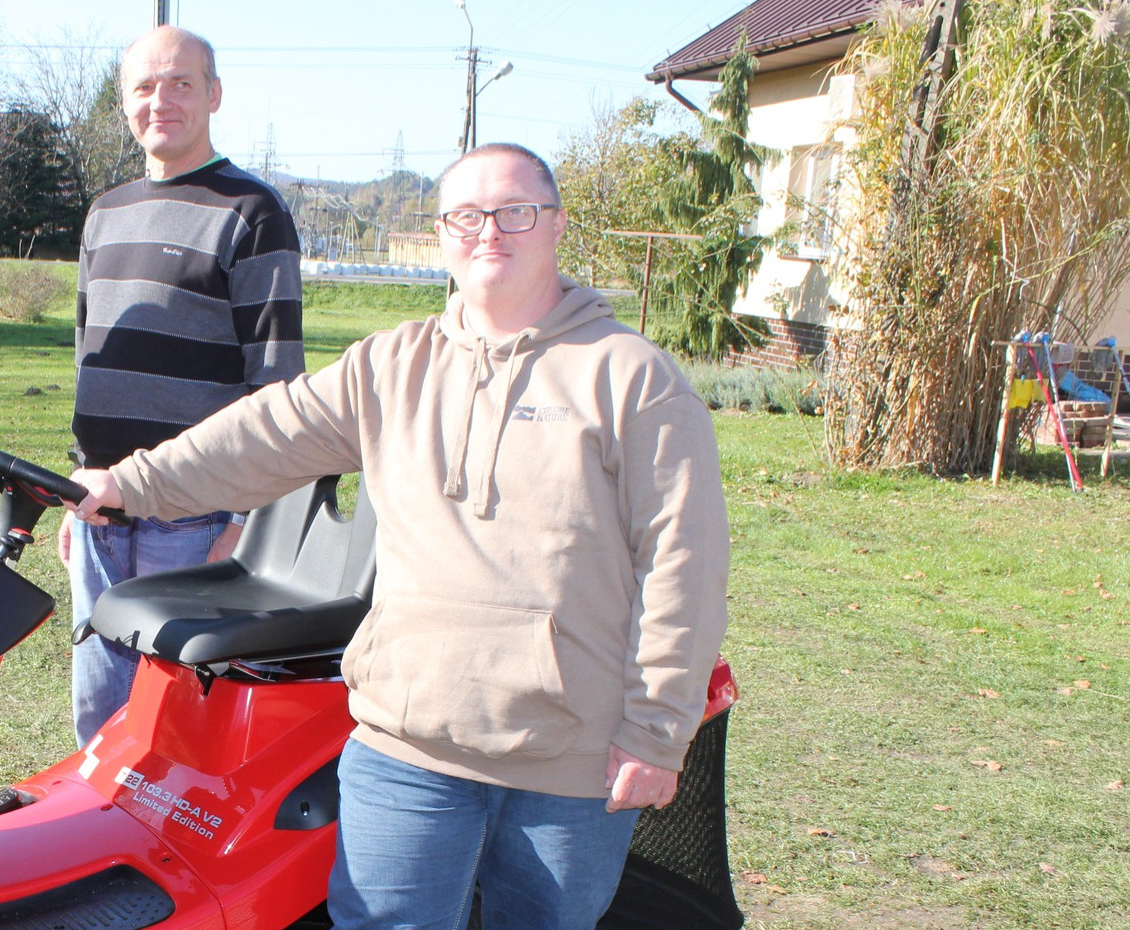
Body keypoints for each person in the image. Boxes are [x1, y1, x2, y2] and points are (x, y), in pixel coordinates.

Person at [66, 143, 730, 930]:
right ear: (443, 235)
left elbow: (682, 563)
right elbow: (260, 436)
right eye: (466, 215)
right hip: (406, 749)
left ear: (555, 226)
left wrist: (656, 733)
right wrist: (128, 484)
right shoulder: (392, 365)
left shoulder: (630, 377)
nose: (491, 232)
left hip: (570, 765)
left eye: (515, 211)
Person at [62, 25, 305, 745]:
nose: (159, 100)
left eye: (180, 83)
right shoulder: (105, 212)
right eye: (143, 86)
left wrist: (243, 520)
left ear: (214, 95)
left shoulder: (254, 214)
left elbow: (278, 386)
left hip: (193, 516)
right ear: (123, 103)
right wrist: (79, 488)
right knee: (98, 715)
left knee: (173, 725)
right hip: (102, 511)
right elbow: (89, 359)